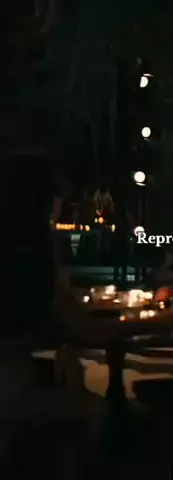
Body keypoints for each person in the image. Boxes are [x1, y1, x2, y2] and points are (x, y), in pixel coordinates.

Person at [0, 149, 114, 478]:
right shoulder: (31, 262)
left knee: (67, 414)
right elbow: (87, 331)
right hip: (11, 394)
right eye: (54, 196)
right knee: (92, 410)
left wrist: (66, 347)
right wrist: (169, 322)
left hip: (13, 382)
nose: (61, 205)